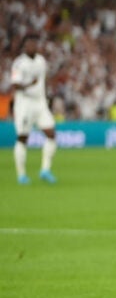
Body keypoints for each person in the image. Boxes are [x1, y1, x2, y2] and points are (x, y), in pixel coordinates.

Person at [10, 34, 58, 185]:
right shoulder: (19, 64)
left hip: (40, 102)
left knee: (51, 133)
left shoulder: (41, 61)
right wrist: (31, 84)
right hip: (25, 103)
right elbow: (15, 85)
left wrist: (47, 96)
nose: (33, 46)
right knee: (23, 137)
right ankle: (21, 174)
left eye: (34, 44)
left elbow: (44, 81)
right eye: (29, 44)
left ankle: (45, 170)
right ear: (25, 46)